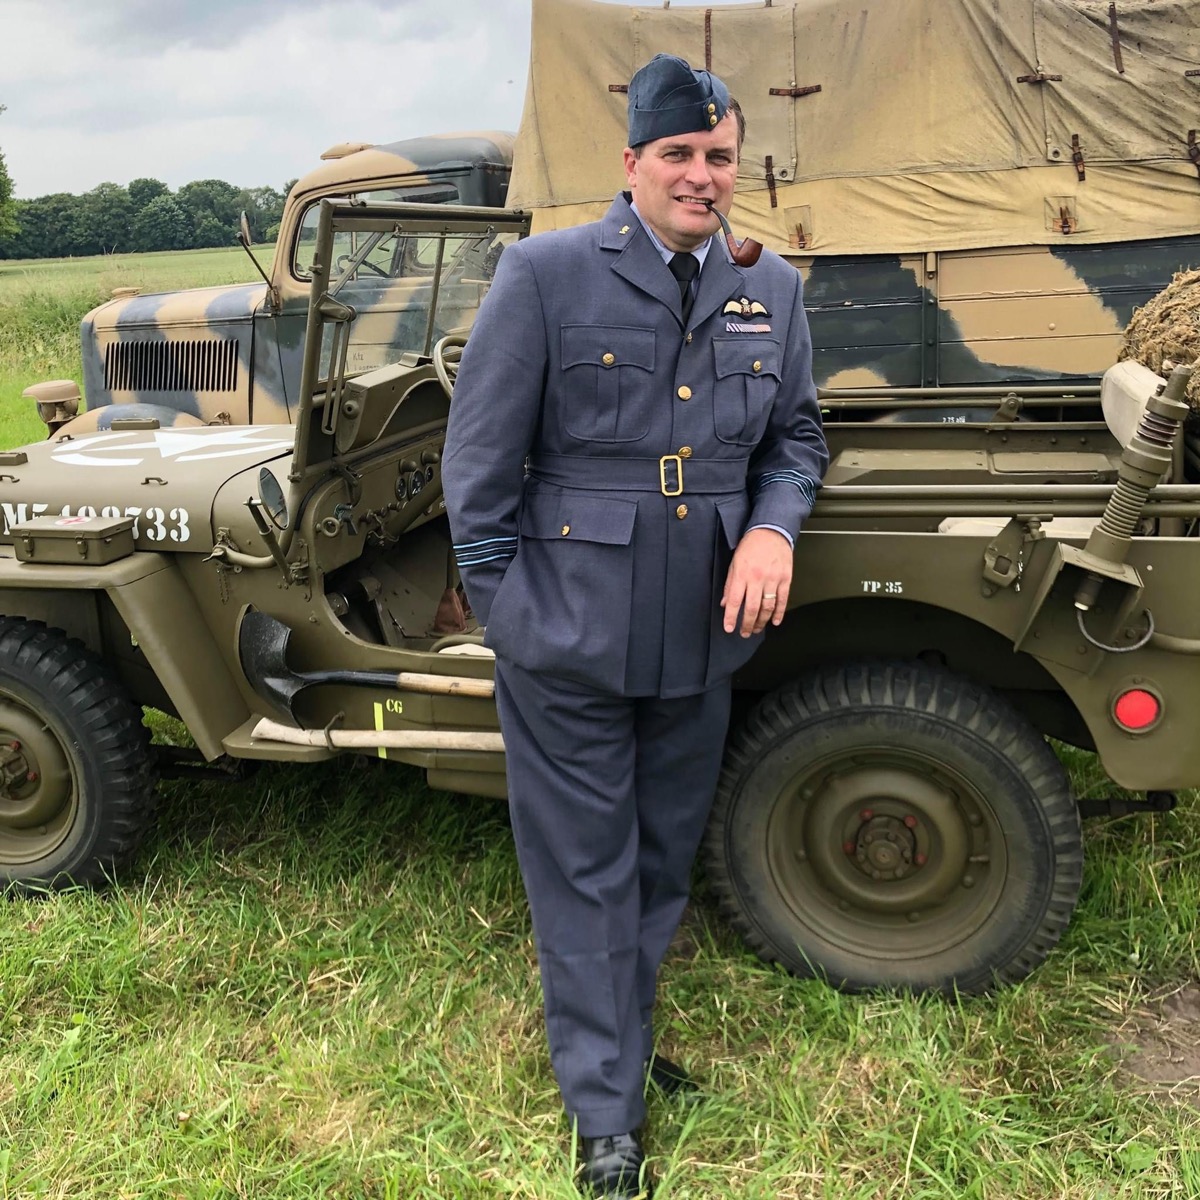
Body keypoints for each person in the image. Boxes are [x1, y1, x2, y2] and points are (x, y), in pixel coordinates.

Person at [442, 53, 828, 1198]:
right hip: (567, 629)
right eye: (679, 155)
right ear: (633, 165)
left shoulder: (773, 287)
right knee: (584, 870)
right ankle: (604, 1110)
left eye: (719, 156)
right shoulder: (548, 275)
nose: (702, 177)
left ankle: (618, 1035)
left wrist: (774, 531)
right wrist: (511, 610)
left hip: (700, 628)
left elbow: (795, 441)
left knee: (659, 859)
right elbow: (477, 465)